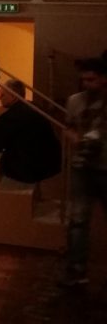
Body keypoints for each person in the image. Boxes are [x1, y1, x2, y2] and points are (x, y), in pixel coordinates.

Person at [59, 56, 107, 288]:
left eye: (92, 79)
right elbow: (68, 126)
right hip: (82, 168)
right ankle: (76, 272)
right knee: (77, 221)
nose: (87, 84)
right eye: (84, 80)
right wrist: (75, 139)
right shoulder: (75, 101)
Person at [0, 79, 61, 183]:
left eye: (3, 95)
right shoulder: (34, 105)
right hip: (49, 163)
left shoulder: (12, 116)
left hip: (30, 169)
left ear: (13, 96)